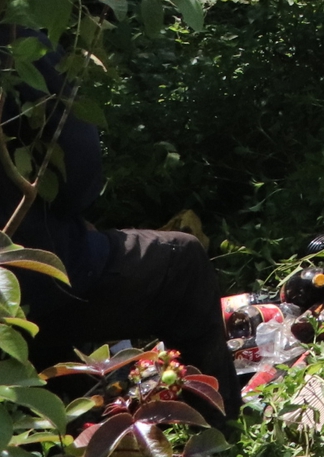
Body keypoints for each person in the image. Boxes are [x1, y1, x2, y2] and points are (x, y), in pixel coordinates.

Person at [12, 47, 240, 414]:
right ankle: (217, 427)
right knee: (181, 261)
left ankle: (74, 416)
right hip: (33, 285)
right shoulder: (18, 43)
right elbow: (79, 179)